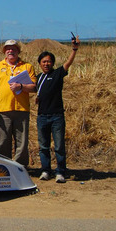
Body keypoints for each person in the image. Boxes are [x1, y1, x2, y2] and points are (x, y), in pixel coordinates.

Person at [36, 36, 80, 183]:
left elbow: (68, 63)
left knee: (59, 146)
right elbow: (32, 89)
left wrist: (74, 49)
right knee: (43, 146)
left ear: (53, 63)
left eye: (49, 61)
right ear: (40, 64)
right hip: (42, 116)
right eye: (44, 62)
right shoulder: (38, 78)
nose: (46, 64)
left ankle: (60, 171)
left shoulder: (58, 74)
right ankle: (45, 170)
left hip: (57, 116)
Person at [0, 39, 36, 166]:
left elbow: (34, 87)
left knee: (22, 142)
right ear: (4, 52)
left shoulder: (27, 67)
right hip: (3, 110)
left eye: (13, 49)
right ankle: (4, 167)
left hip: (22, 110)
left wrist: (21, 87)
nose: (10, 51)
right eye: (8, 49)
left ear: (18, 51)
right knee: (3, 141)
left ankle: (20, 168)